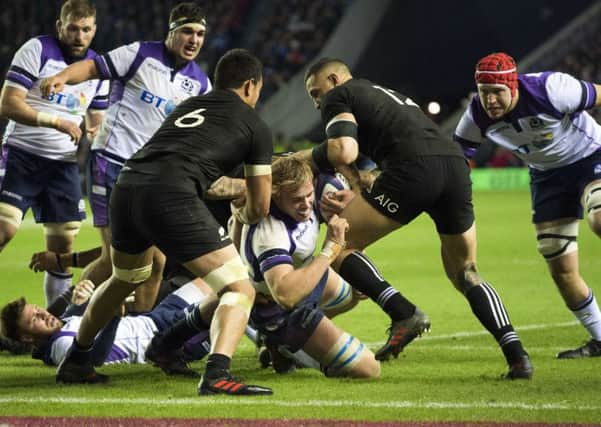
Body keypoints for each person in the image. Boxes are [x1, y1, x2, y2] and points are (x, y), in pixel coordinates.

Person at [54, 49, 274, 396]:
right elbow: (260, 207)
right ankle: (218, 374)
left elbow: (199, 173)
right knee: (238, 287)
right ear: (250, 86)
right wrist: (241, 213)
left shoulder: (188, 106)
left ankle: (77, 359)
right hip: (170, 194)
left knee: (124, 278)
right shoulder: (254, 125)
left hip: (128, 185)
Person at [298, 57, 532, 379]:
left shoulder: (340, 95)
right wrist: (358, 184)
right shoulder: (381, 94)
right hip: (453, 166)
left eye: (316, 93)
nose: (316, 103)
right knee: (466, 273)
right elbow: (400, 149)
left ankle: (403, 312)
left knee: (340, 244)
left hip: (413, 169)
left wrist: (305, 157)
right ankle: (517, 357)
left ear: (335, 80)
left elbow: (342, 151)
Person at [40, 2, 212, 311]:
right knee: (114, 260)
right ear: (171, 32)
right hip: (112, 162)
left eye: (200, 34)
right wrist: (63, 77)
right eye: (187, 31)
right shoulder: (139, 54)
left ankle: (136, 332)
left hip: (153, 177)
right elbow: (92, 68)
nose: (194, 40)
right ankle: (64, 320)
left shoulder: (201, 83)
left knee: (156, 262)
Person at [146, 157, 378, 378]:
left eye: (309, 195)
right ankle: (292, 344)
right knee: (369, 369)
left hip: (265, 286)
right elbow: (286, 295)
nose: (307, 204)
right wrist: (330, 249)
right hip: (279, 308)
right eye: (298, 199)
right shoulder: (272, 232)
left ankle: (164, 346)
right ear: (275, 196)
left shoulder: (307, 193)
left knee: (348, 293)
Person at [454, 52, 601, 359]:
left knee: (599, 219)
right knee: (560, 267)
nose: (490, 100)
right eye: (484, 93)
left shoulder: (552, 89)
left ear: (514, 86)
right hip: (547, 177)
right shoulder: (476, 115)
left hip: (591, 157)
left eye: (497, 92)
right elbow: (458, 158)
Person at [0, 0, 108, 305]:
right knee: (4, 230)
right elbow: (8, 104)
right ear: (60, 27)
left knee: (62, 249)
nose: (79, 35)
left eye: (86, 29)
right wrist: (56, 122)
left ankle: (56, 327)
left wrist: (96, 134)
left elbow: (96, 121)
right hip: (21, 153)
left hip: (62, 166)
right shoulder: (37, 50)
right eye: (73, 28)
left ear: (94, 30)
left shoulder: (97, 69)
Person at [0, 279, 211, 375]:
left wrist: (78, 301)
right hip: (168, 338)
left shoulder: (58, 330)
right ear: (27, 338)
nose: (43, 314)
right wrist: (113, 317)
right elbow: (94, 359)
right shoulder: (62, 346)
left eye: (38, 309)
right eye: (34, 319)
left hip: (154, 318)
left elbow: (74, 321)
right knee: (230, 298)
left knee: (215, 277)